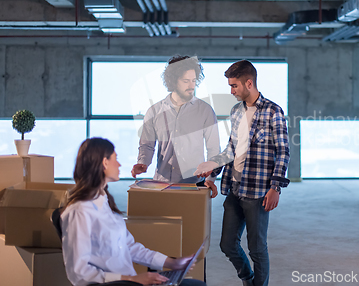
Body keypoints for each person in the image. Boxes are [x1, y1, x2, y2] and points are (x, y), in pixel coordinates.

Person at [61, 137, 206, 286]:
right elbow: (78, 272)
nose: (119, 164)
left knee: (195, 284)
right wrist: (131, 279)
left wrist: (171, 263)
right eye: (115, 159)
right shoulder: (79, 211)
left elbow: (129, 247)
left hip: (131, 281)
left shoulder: (103, 202)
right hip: (121, 283)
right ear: (105, 163)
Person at [195, 60, 290, 286]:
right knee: (227, 245)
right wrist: (211, 170)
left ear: (249, 83)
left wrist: (275, 187)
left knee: (257, 249)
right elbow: (230, 150)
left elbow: (283, 151)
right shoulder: (236, 112)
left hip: (258, 192)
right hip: (235, 189)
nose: (231, 91)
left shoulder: (273, 111)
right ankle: (248, 278)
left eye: (234, 86)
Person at [131, 55, 220, 196]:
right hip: (161, 184)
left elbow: (213, 149)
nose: (191, 86)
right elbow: (147, 145)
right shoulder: (154, 111)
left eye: (193, 81)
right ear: (173, 81)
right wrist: (143, 163)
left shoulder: (205, 111)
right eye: (186, 81)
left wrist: (211, 179)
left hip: (195, 184)